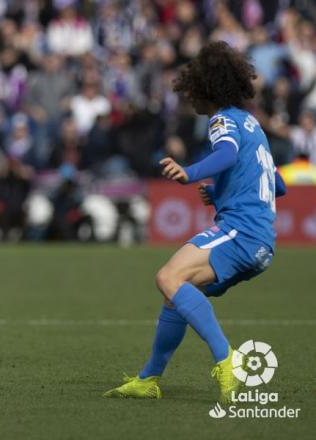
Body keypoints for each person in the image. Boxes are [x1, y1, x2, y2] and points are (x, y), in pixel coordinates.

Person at [104, 41, 286, 404]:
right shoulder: (252, 123)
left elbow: (227, 153)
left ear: (207, 87)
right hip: (261, 240)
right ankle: (148, 379)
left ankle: (226, 357)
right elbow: (276, 184)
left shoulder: (222, 120)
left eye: (190, 87)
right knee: (178, 295)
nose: (187, 95)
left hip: (242, 232)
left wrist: (189, 173)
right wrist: (220, 194)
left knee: (167, 277)